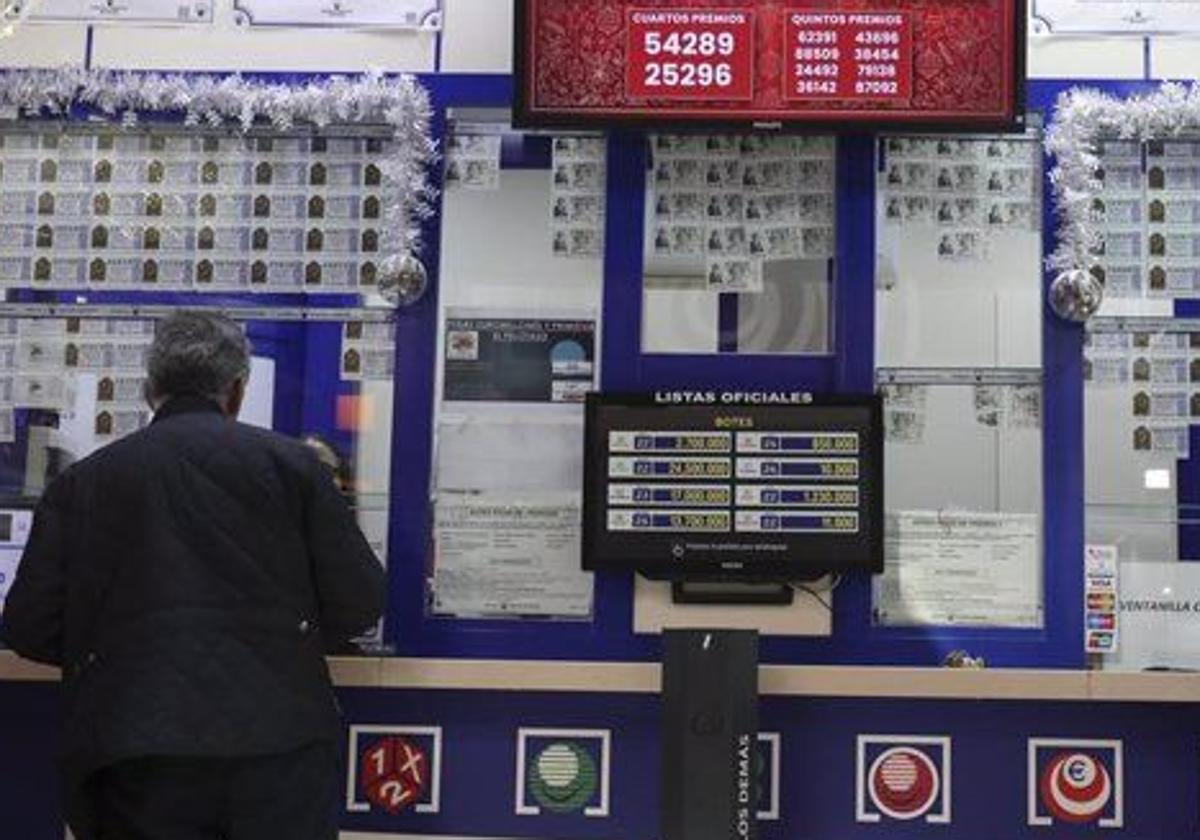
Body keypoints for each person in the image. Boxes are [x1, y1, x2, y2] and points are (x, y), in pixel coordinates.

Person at [1, 311, 387, 840]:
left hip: (134, 751)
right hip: (278, 749)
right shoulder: (296, 469)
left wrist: (108, 652)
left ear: (150, 388)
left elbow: (29, 625)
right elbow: (360, 602)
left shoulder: (85, 483)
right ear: (237, 389)